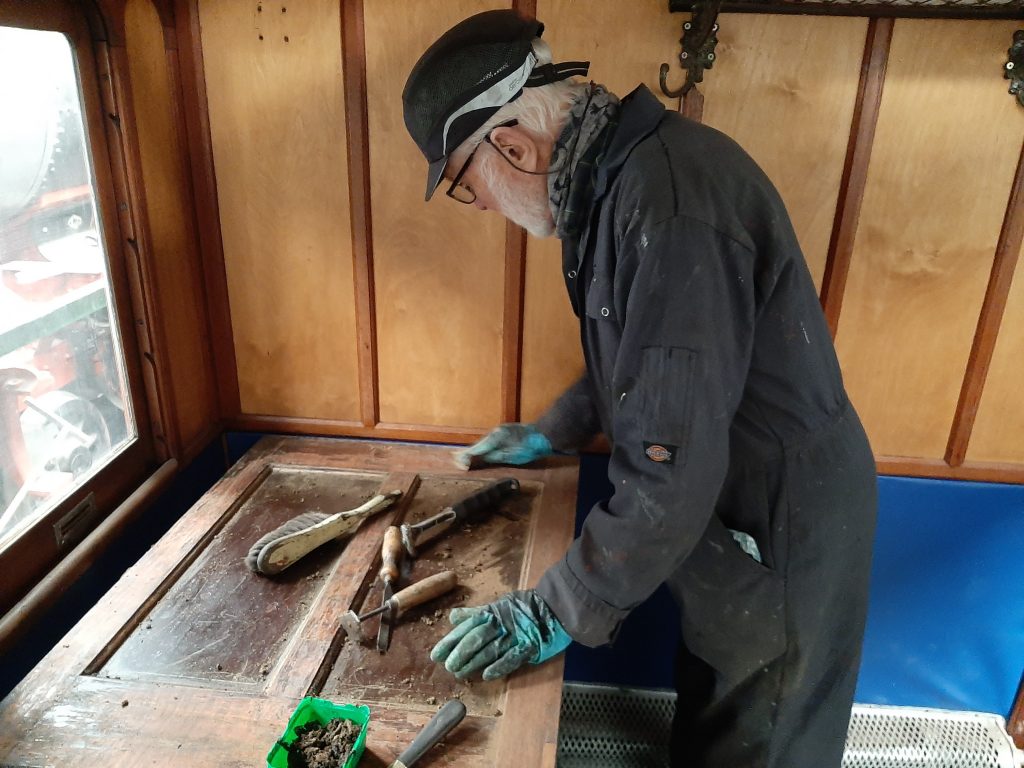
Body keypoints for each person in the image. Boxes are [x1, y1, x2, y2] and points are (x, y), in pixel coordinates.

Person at [402, 10, 877, 768]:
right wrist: (554, 428)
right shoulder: (620, 182)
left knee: (763, 734)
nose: (483, 207)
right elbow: (645, 363)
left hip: (780, 514)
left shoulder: (670, 204)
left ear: (512, 146)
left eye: (467, 185)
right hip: (732, 507)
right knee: (721, 708)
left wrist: (551, 608)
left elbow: (674, 467)